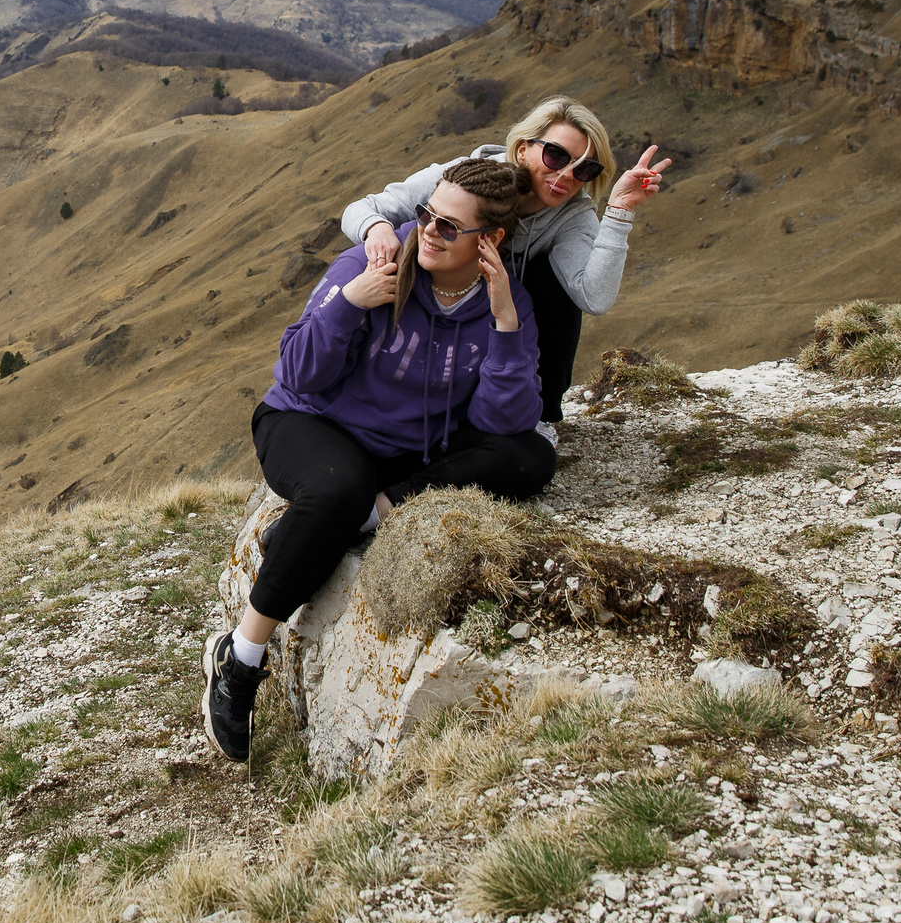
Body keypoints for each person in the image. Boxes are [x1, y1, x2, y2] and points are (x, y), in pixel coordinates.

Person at [202, 157, 551, 764]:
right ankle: (241, 656)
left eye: (449, 226)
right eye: (427, 215)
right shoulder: (373, 263)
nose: (429, 231)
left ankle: (363, 515)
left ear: (491, 240)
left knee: (531, 457)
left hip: (402, 456)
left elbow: (505, 422)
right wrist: (350, 303)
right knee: (337, 488)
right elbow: (297, 373)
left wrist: (503, 324)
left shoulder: (506, 302)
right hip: (309, 424)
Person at [340, 96, 669, 439]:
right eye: (556, 156)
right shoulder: (466, 178)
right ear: (523, 148)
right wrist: (377, 229)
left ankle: (540, 413)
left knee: (552, 281)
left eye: (584, 169)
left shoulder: (573, 216)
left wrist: (619, 212)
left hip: (501, 321)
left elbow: (594, 297)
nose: (566, 175)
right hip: (426, 303)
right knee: (400, 239)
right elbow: (361, 209)